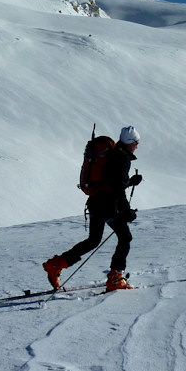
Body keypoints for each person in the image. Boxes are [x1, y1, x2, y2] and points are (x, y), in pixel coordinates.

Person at [43, 125, 144, 291]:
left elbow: (112, 181)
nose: (137, 146)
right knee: (125, 237)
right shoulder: (122, 157)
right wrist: (127, 211)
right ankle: (115, 278)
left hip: (96, 202)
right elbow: (117, 188)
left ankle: (56, 265)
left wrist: (130, 181)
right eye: (137, 143)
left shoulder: (113, 153)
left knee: (93, 240)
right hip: (108, 205)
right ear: (131, 142)